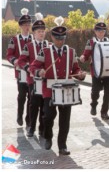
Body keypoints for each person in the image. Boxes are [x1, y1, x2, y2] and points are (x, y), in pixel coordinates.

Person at [30, 17, 85, 155]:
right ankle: (48, 136)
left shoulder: (71, 52)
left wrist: (80, 74)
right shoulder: (45, 51)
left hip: (66, 90)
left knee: (65, 119)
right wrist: (39, 71)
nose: (60, 40)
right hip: (49, 90)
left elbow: (75, 69)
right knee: (48, 116)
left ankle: (62, 146)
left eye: (62, 37)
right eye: (57, 38)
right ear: (52, 38)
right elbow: (33, 67)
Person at [79, 17, 109, 120]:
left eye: (103, 31)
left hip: (107, 71)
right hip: (96, 71)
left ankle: (104, 112)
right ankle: (93, 104)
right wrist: (83, 58)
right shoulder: (91, 42)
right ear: (95, 31)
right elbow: (86, 54)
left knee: (107, 93)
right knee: (95, 91)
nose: (101, 33)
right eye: (99, 31)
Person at [20, 13, 48, 138]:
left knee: (45, 104)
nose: (41, 33)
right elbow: (21, 61)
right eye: (39, 31)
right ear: (34, 33)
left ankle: (42, 128)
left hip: (46, 81)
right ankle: (31, 127)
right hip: (32, 80)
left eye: (43, 31)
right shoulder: (29, 46)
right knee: (34, 104)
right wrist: (27, 68)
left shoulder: (49, 46)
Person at [6, 9, 34, 127]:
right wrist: (15, 61)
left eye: (29, 24)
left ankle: (28, 118)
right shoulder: (14, 39)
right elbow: (9, 55)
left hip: (32, 72)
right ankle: (19, 114)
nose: (27, 26)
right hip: (20, 71)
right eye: (25, 25)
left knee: (31, 96)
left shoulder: (34, 38)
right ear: (21, 26)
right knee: (22, 95)